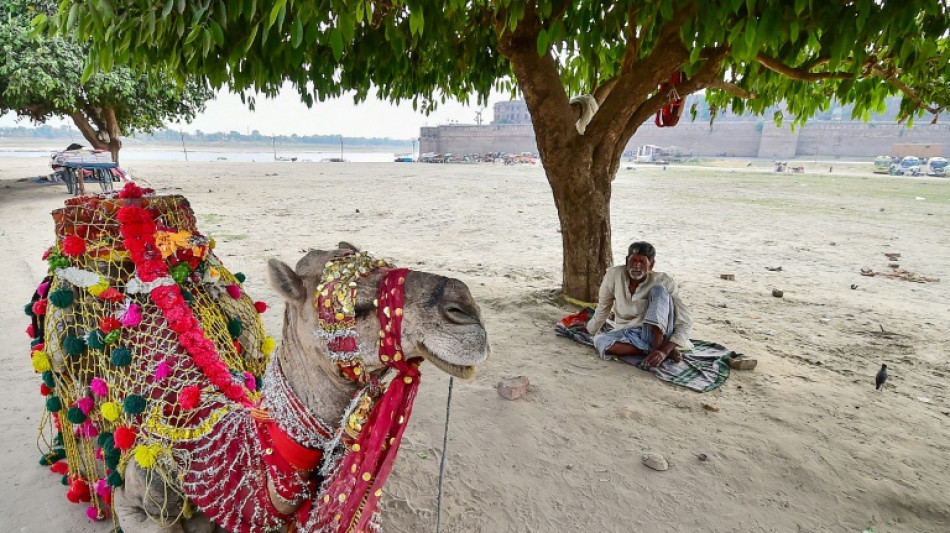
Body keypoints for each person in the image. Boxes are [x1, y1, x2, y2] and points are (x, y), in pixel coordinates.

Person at [586, 241, 693, 367]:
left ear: (651, 264)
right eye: (633, 260)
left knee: (658, 290)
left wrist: (664, 351)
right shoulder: (613, 275)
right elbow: (603, 308)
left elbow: (685, 321)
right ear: (627, 261)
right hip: (629, 333)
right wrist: (590, 329)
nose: (636, 265)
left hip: (658, 333)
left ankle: (657, 349)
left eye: (642, 262)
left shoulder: (664, 280)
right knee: (599, 341)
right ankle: (650, 350)